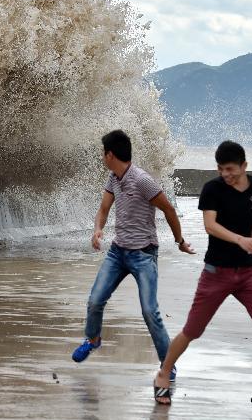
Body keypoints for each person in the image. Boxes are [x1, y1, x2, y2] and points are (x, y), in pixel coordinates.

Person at [153, 141, 252, 408]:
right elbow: (210, 226)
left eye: (230, 169)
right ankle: (163, 375)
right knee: (192, 331)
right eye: (221, 169)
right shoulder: (212, 189)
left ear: (244, 166)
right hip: (217, 273)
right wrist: (240, 240)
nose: (226, 174)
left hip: (248, 274)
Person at [72, 130, 195, 377]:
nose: (102, 158)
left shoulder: (142, 180)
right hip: (118, 253)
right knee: (95, 300)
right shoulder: (113, 178)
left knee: (150, 312)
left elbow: (169, 210)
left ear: (110, 154)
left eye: (103, 153)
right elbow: (104, 209)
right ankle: (93, 339)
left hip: (144, 255)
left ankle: (167, 365)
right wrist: (98, 230)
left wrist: (179, 240)